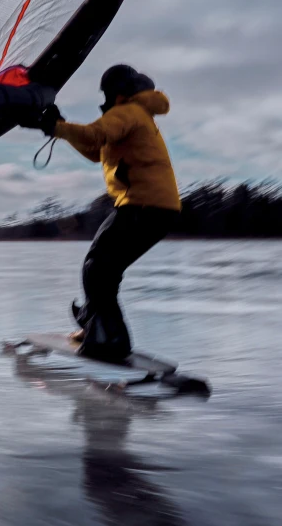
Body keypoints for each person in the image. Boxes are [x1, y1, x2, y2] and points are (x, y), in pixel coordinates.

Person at [31, 64, 181, 363]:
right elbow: (96, 150)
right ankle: (97, 326)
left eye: (107, 93)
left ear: (118, 92)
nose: (105, 99)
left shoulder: (128, 111)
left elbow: (95, 135)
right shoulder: (137, 115)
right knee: (103, 269)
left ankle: (109, 339)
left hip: (143, 205)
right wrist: (61, 127)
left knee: (98, 268)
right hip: (152, 207)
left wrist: (57, 127)